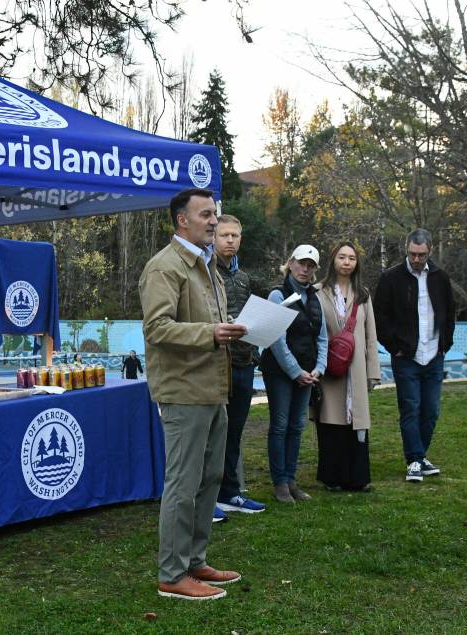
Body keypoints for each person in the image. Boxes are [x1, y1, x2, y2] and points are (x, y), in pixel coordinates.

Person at [140, 187, 246, 601]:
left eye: (215, 215)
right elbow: (157, 329)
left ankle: (194, 560)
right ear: (182, 220)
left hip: (213, 389)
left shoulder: (208, 266)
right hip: (184, 392)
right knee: (183, 483)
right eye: (206, 215)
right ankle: (171, 574)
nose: (214, 222)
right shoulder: (165, 267)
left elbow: (211, 321)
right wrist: (212, 334)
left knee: (210, 479)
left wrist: (235, 327)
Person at [373, 228, 455, 483]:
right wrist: (393, 346)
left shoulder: (441, 277)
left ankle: (419, 456)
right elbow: (380, 317)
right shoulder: (391, 278)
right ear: (406, 250)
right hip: (406, 356)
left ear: (429, 250)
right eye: (412, 254)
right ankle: (414, 461)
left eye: (421, 255)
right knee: (411, 408)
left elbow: (450, 313)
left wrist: (445, 344)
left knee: (431, 411)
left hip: (434, 353)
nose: (416, 259)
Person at [260, 244, 328, 504]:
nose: (305, 268)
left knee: (297, 426)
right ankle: (279, 483)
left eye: (310, 265)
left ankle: (291, 479)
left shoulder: (316, 298)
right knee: (280, 425)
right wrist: (295, 371)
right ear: (290, 263)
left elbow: (322, 337)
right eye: (301, 263)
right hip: (280, 372)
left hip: (308, 373)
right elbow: (277, 339)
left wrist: (318, 369)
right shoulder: (277, 295)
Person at [314, 242, 380, 491]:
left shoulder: (362, 294)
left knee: (357, 421)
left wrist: (373, 372)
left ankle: (358, 478)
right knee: (331, 420)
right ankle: (333, 477)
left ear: (356, 263)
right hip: (330, 367)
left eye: (351, 258)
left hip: (356, 368)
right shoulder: (318, 292)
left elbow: (370, 335)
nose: (346, 262)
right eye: (342, 257)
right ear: (333, 260)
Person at [213, 215, 267, 515]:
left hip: (244, 363)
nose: (230, 240)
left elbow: (252, 318)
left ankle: (230, 493)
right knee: (213, 434)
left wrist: (255, 352)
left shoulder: (245, 278)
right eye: (224, 235)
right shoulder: (206, 273)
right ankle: (207, 496)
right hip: (218, 364)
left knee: (234, 432)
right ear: (214, 238)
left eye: (235, 235)